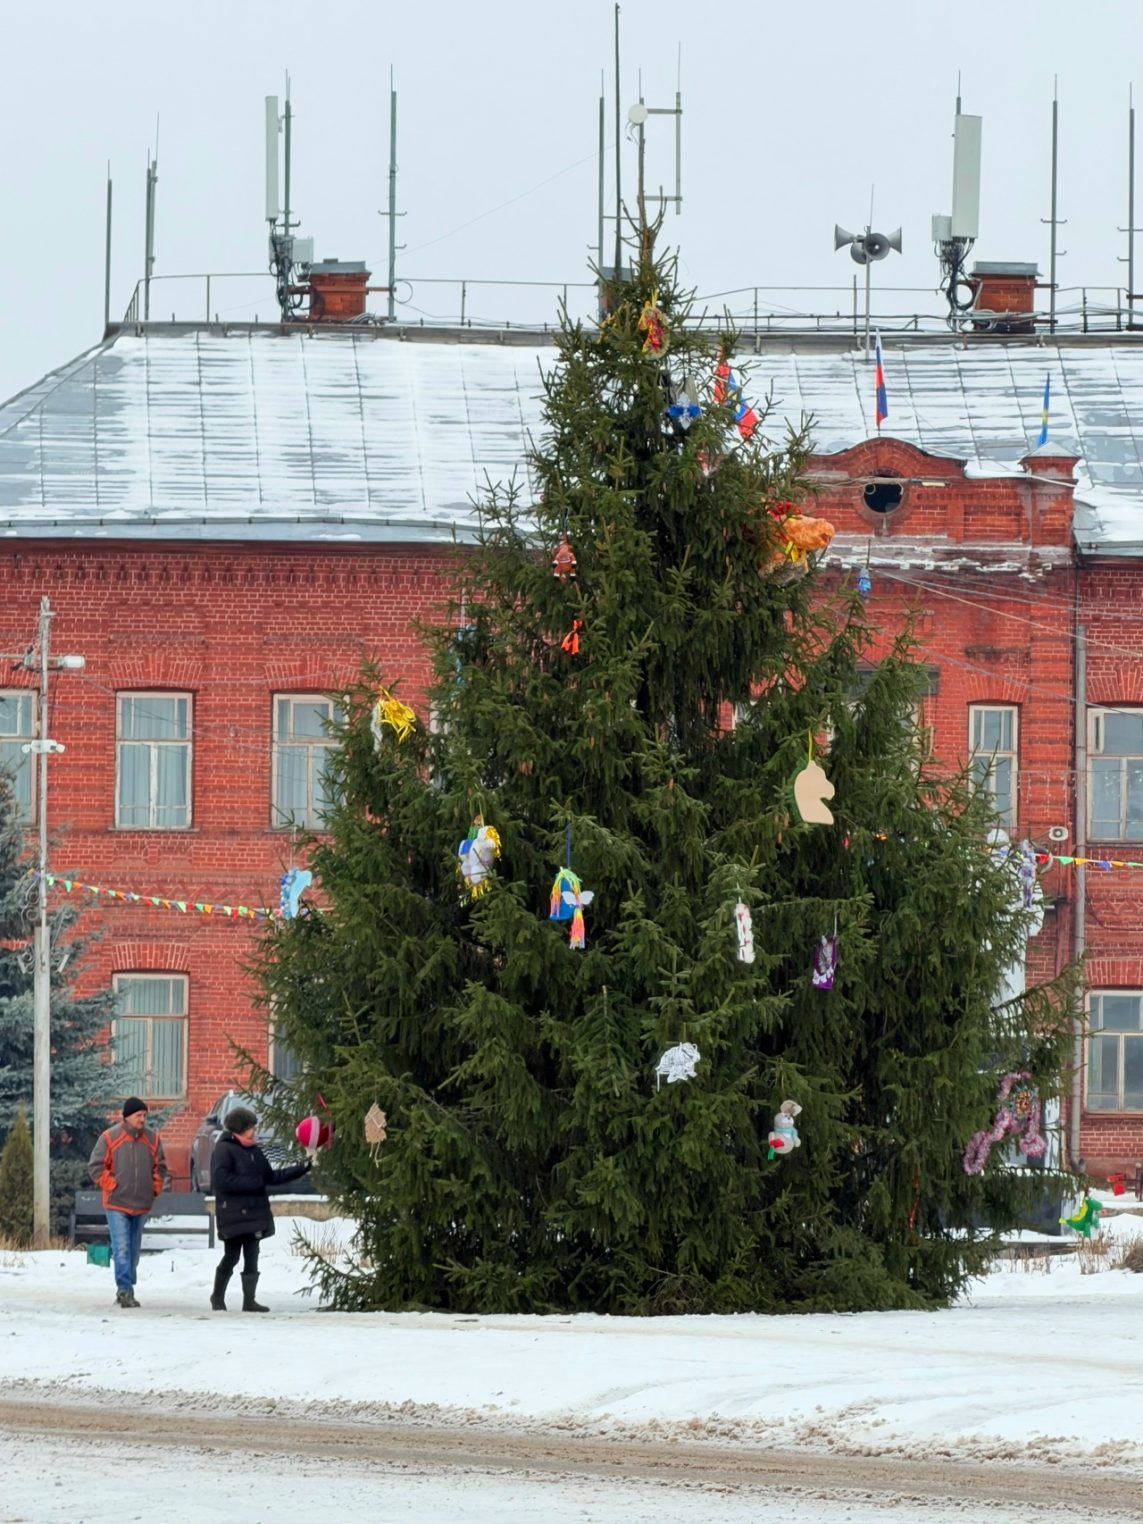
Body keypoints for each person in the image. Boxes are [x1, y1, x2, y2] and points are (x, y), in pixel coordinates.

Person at [209, 1105, 313, 1312]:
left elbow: (271, 1177)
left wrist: (302, 1168)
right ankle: (217, 1296)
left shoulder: (254, 1151)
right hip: (233, 1214)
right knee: (231, 1256)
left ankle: (249, 1300)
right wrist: (253, 1183)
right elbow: (221, 1180)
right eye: (251, 1127)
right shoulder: (224, 1149)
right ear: (240, 1128)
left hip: (255, 1212)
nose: (254, 1131)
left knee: (252, 1254)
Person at [87, 1097, 171, 1309]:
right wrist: (112, 1185)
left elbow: (160, 1167)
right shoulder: (110, 1137)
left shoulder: (152, 1139)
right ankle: (124, 1290)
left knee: (133, 1250)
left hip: (141, 1203)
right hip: (117, 1203)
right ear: (127, 1117)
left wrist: (155, 1187)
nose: (142, 1119)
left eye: (145, 1115)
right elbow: (95, 1166)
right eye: (138, 1115)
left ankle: (127, 1285)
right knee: (122, 1247)